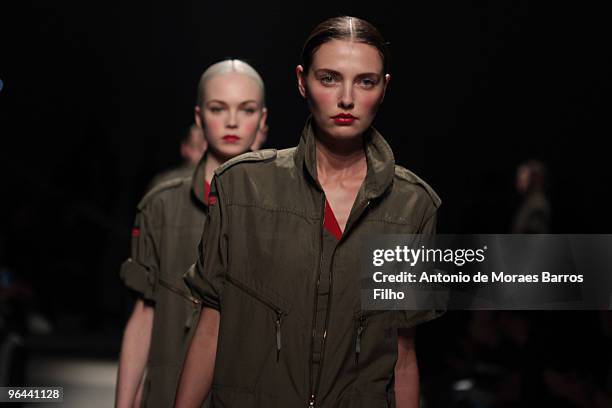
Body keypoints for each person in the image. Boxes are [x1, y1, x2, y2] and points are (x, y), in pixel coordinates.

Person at [176, 16, 442, 408]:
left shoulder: (413, 206)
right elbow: (211, 327)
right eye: (330, 78)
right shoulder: (242, 187)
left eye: (365, 81)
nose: (347, 98)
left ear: (384, 88)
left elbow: (401, 356)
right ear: (303, 81)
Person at [115, 59, 268, 408]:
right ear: (199, 117)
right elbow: (144, 316)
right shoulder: (161, 205)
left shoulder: (288, 211)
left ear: (262, 118)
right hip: (168, 392)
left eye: (246, 109)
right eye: (219, 108)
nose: (232, 121)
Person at [147, 124, 207, 191]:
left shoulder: (217, 179)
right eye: (198, 147)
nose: (205, 149)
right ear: (184, 148)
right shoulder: (164, 183)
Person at [511, 159, 551, 233]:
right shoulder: (528, 202)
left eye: (523, 178)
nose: (519, 181)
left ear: (534, 179)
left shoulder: (537, 205)